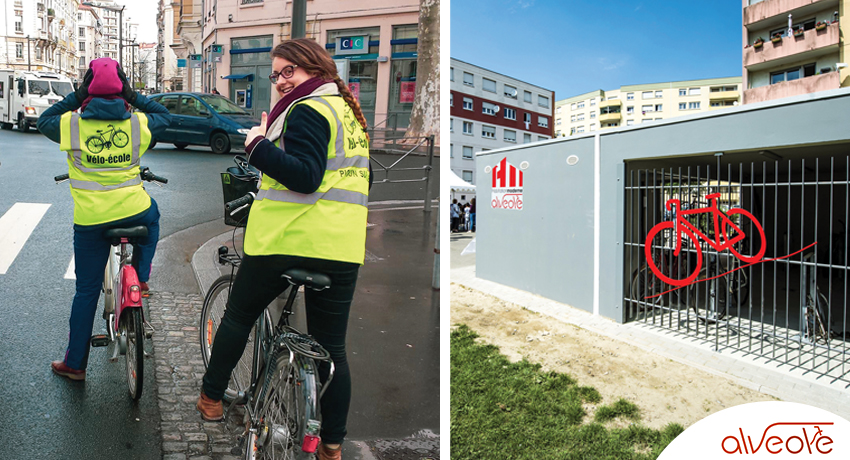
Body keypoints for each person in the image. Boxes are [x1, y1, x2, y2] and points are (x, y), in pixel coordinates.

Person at [197, 38, 371, 460]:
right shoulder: (347, 113)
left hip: (286, 240)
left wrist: (257, 145)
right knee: (332, 350)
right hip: (342, 247)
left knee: (239, 316)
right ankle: (331, 447)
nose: (279, 81)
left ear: (314, 67)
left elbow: (306, 176)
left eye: (288, 71)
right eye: (275, 74)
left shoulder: (308, 108)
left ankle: (211, 399)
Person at [37, 57, 172, 381]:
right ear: (122, 89)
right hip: (135, 210)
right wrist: (133, 95)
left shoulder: (73, 125)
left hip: (91, 221)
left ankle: (75, 364)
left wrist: (78, 96)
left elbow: (44, 120)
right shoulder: (138, 124)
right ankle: (140, 275)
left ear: (88, 90)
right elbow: (164, 116)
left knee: (86, 292)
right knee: (153, 219)